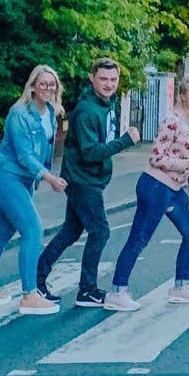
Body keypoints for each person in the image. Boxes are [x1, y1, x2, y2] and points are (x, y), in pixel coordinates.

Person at [36, 58, 140, 309]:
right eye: (103, 79)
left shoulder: (104, 104)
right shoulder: (87, 111)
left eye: (113, 80)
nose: (108, 84)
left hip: (87, 179)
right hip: (83, 181)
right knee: (100, 231)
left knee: (71, 232)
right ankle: (87, 290)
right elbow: (90, 152)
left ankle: (35, 279)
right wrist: (125, 141)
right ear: (92, 77)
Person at [105, 71, 189, 311]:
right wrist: (186, 165)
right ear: (183, 96)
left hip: (175, 188)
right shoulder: (171, 122)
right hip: (155, 185)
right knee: (139, 238)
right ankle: (117, 291)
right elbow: (156, 157)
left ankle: (181, 287)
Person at [0, 65, 68, 315]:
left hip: (23, 181)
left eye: (52, 84)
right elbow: (24, 155)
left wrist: (42, 176)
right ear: (32, 86)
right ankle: (29, 294)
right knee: (33, 230)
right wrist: (48, 177)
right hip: (7, 178)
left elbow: (44, 150)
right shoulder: (19, 114)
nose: (48, 88)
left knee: (1, 234)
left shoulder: (50, 113)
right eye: (43, 83)